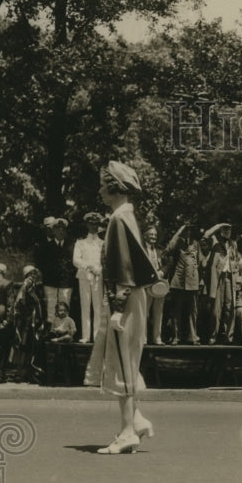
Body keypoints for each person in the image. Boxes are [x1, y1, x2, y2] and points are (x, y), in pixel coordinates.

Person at [84, 160, 158, 454]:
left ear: (114, 187)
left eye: (103, 184)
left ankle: (127, 432)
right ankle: (136, 419)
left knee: (122, 363)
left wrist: (117, 307)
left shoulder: (118, 219)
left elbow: (126, 271)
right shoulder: (125, 216)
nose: (100, 189)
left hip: (125, 299)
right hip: (130, 297)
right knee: (125, 361)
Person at [5, 265, 46, 383]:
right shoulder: (25, 287)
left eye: (34, 273)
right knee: (22, 345)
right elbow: (19, 303)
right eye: (31, 273)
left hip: (33, 320)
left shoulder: (35, 287)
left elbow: (38, 304)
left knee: (30, 346)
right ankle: (19, 372)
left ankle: (27, 372)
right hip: (25, 321)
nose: (33, 275)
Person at [165, 222, 201, 344]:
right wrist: (179, 230)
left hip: (192, 281)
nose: (188, 232)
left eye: (190, 230)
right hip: (178, 281)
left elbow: (199, 262)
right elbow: (168, 249)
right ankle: (176, 336)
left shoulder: (196, 244)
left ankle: (193, 336)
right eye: (186, 230)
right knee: (176, 310)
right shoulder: (177, 243)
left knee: (193, 311)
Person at [37, 217, 75, 326]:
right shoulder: (45, 246)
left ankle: (64, 330)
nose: (60, 231)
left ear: (66, 231)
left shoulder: (71, 246)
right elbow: (41, 264)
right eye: (57, 229)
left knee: (65, 305)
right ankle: (51, 331)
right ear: (53, 231)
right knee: (50, 305)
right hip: (50, 281)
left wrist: (70, 276)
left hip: (66, 281)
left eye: (63, 229)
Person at [73, 212, 104, 343]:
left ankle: (97, 335)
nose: (93, 226)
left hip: (98, 277)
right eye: (91, 223)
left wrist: (100, 269)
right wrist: (89, 266)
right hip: (85, 276)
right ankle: (86, 335)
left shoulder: (102, 243)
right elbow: (75, 260)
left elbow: (106, 260)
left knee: (98, 307)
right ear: (87, 225)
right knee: (85, 306)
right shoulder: (81, 243)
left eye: (96, 224)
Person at [143, 225, 166, 345]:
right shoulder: (141, 250)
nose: (153, 237)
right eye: (151, 234)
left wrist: (162, 271)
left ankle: (157, 338)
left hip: (159, 285)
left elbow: (167, 263)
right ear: (145, 235)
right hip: (146, 284)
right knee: (144, 312)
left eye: (155, 235)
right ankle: (143, 338)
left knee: (159, 312)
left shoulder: (160, 250)